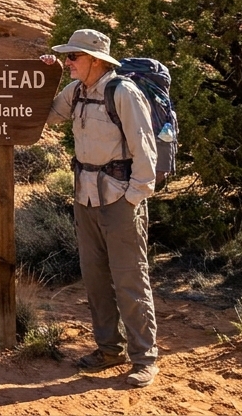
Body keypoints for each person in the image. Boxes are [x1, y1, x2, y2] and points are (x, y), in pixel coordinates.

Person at [41, 29, 160, 388]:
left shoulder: (122, 92)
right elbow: (46, 116)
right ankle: (109, 350)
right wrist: (44, 79)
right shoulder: (76, 91)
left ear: (95, 60)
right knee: (95, 279)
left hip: (119, 199)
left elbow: (144, 146)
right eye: (67, 57)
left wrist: (134, 196)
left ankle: (145, 358)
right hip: (85, 197)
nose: (68, 62)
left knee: (129, 279)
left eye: (73, 57)